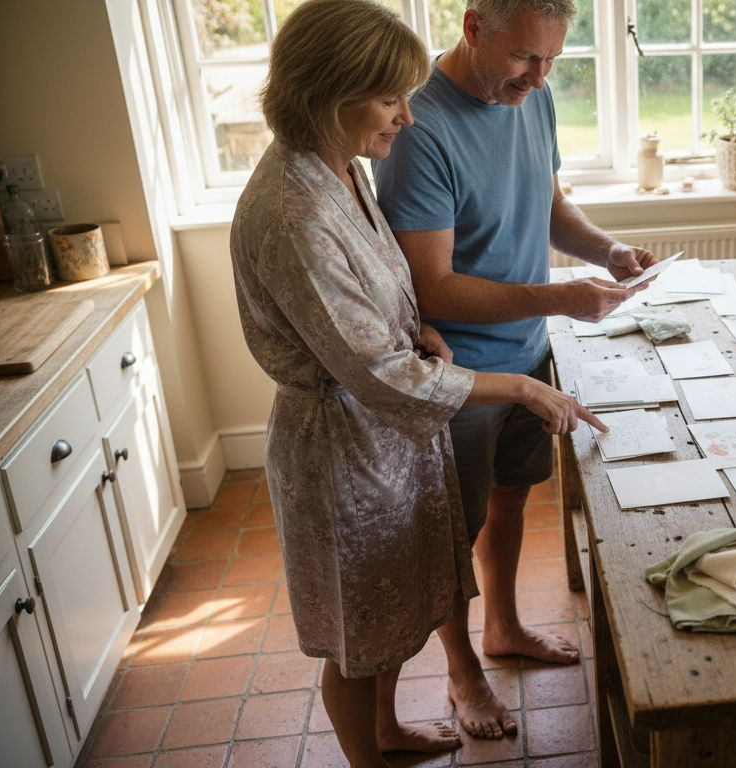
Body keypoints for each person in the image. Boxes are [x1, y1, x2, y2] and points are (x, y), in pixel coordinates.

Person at [229, 2, 603, 765]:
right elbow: (379, 375)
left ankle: (388, 731)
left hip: (383, 435)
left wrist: (416, 325)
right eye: (391, 98)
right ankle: (372, 750)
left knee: (389, 606)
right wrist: (523, 388)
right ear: (327, 92)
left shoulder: (338, 167)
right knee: (357, 636)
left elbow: (378, 294)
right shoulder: (295, 210)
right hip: (345, 446)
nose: (407, 115)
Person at [373, 0, 657, 739]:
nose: (539, 77)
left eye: (552, 60)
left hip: (528, 353)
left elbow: (550, 202)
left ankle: (503, 627)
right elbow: (431, 284)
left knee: (509, 502)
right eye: (526, 58)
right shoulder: (420, 130)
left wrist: (605, 252)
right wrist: (561, 296)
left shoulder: (533, 96)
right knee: (449, 538)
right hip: (459, 377)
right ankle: (462, 673)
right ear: (474, 29)